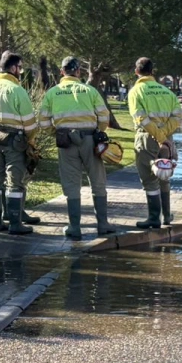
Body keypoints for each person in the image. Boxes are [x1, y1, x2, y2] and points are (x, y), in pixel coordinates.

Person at [41, 56, 123, 239]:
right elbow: (104, 116)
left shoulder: (52, 93)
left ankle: (74, 227)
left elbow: (43, 121)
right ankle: (102, 224)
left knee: (71, 184)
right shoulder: (90, 90)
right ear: (78, 72)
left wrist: (56, 133)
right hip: (90, 140)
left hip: (66, 142)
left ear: (62, 72)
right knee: (98, 181)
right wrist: (98, 131)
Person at [0, 51, 41, 235]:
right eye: (20, 68)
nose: (20, 72)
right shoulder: (17, 90)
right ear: (13, 68)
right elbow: (29, 123)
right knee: (15, 183)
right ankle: (15, 224)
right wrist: (31, 140)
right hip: (15, 141)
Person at [126, 58, 181, 229]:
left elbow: (141, 119)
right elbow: (178, 117)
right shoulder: (167, 92)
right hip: (167, 140)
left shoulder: (135, 91)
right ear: (152, 71)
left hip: (146, 138)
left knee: (150, 179)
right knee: (164, 175)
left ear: (136, 72)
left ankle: (154, 218)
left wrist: (159, 136)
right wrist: (164, 136)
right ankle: (167, 216)